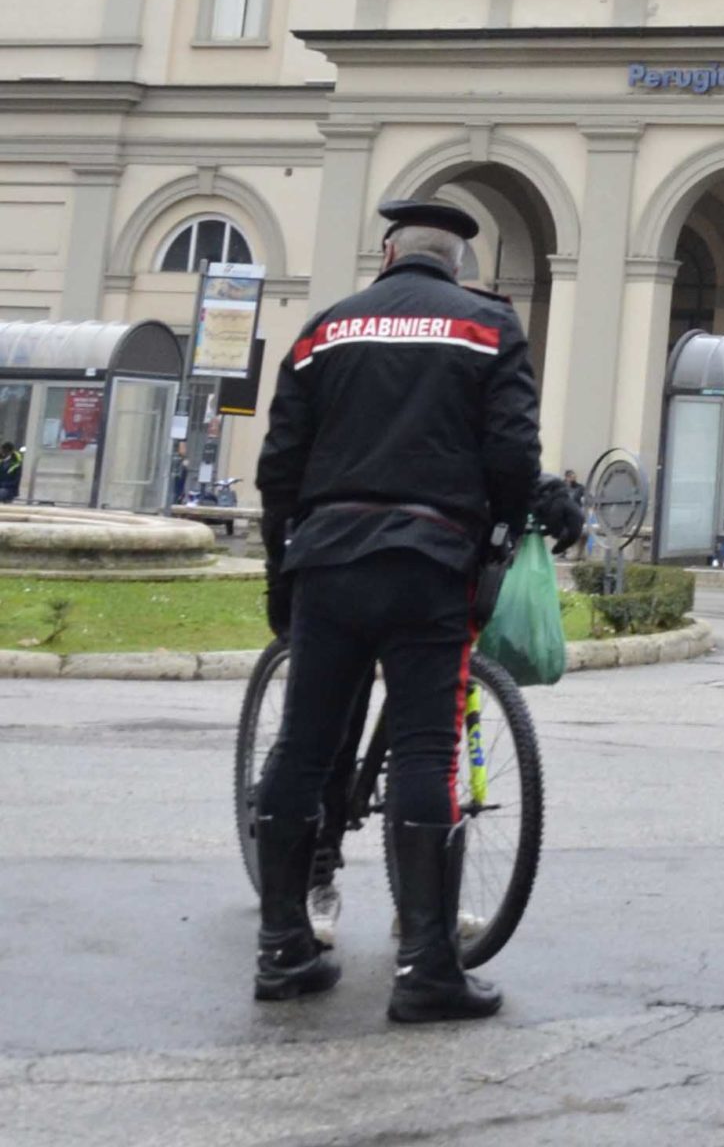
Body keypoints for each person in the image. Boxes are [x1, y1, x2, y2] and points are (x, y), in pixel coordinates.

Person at [250, 198, 540, 1022]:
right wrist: (499, 536)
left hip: (327, 561)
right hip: (427, 561)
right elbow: (513, 453)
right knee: (424, 751)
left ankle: (281, 951)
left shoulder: (325, 330)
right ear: (457, 265)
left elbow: (280, 463)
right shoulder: (487, 328)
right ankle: (425, 969)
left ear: (387, 255)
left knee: (303, 748)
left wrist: (283, 565)